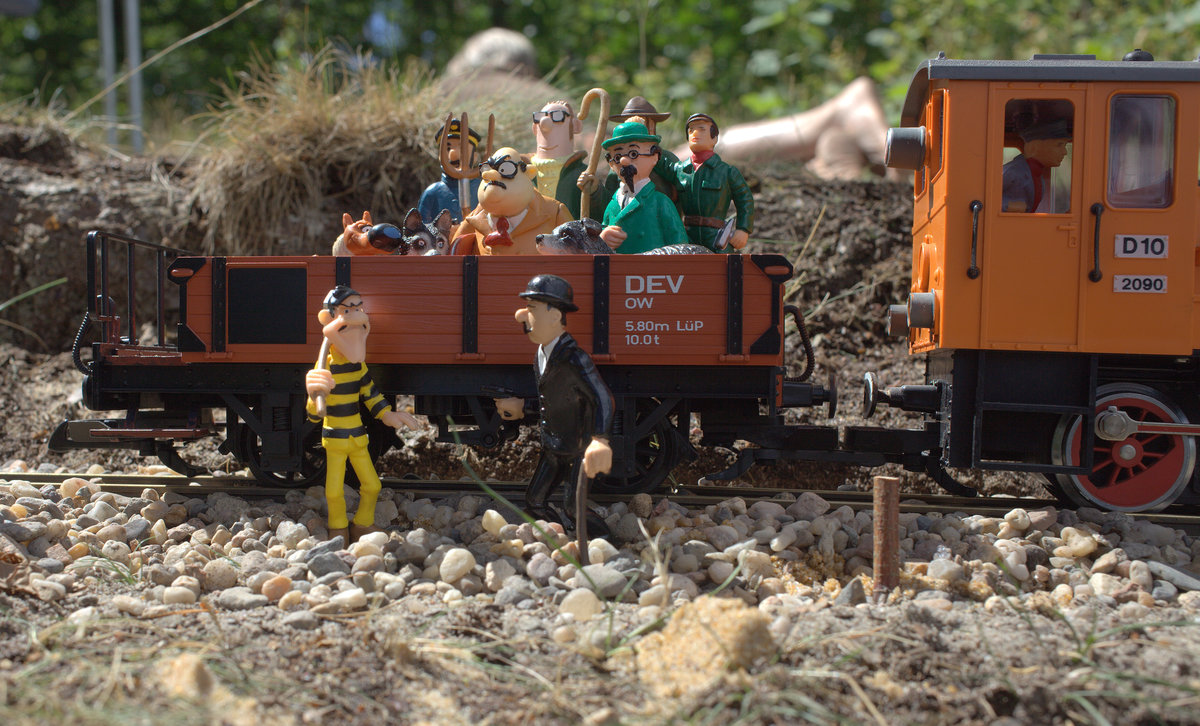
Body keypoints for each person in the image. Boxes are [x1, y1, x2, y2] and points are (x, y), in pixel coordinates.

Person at [494, 275, 613, 534]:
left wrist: (600, 440)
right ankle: (556, 534)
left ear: (555, 316)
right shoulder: (540, 355)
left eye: (532, 310)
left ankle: (603, 541)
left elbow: (602, 398)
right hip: (553, 445)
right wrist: (522, 408)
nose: (522, 317)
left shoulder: (574, 357)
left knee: (574, 506)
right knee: (534, 502)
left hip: (578, 447)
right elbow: (555, 401)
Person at [304, 286, 421, 543]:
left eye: (358, 308)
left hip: (358, 436)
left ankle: (362, 525)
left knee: (372, 486)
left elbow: (371, 393)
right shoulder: (325, 368)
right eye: (348, 310)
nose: (356, 316)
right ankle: (338, 530)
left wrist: (389, 415)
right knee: (334, 492)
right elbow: (313, 415)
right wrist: (314, 396)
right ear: (329, 319)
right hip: (335, 438)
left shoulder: (358, 365)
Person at [451, 147, 573, 255]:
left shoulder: (554, 213)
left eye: (506, 169)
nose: (492, 175)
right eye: (487, 169)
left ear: (528, 173)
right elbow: (452, 257)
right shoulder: (474, 219)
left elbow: (577, 256)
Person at [597, 120, 687, 254]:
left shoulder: (660, 203)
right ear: (611, 164)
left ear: (654, 157)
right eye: (617, 157)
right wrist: (603, 240)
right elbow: (598, 248)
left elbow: (680, 247)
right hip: (617, 273)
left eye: (633, 154)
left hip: (652, 273)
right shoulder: (612, 205)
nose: (624, 161)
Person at [671, 113, 754, 252]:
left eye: (702, 129)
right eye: (691, 130)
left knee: (723, 267)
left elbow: (745, 199)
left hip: (716, 236)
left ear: (714, 138)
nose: (695, 133)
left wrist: (743, 229)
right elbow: (658, 162)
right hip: (687, 235)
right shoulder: (680, 170)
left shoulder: (726, 172)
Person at [527, 99, 605, 221]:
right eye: (540, 117)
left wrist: (595, 192)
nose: (545, 122)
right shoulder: (520, 171)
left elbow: (602, 214)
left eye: (558, 116)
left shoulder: (583, 173)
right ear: (535, 128)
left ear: (576, 126)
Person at [597, 96, 681, 205]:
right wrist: (595, 191)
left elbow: (681, 185)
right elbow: (608, 198)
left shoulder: (665, 158)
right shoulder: (616, 165)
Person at [418, 118, 482, 224]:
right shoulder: (432, 193)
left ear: (474, 157)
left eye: (462, 148)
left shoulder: (483, 190)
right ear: (440, 156)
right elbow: (421, 228)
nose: (453, 154)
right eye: (447, 149)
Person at [1002, 119, 1072, 213]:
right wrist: (1007, 205)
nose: (1065, 152)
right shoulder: (1013, 172)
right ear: (1034, 147)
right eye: (1059, 145)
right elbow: (985, 196)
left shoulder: (1037, 175)